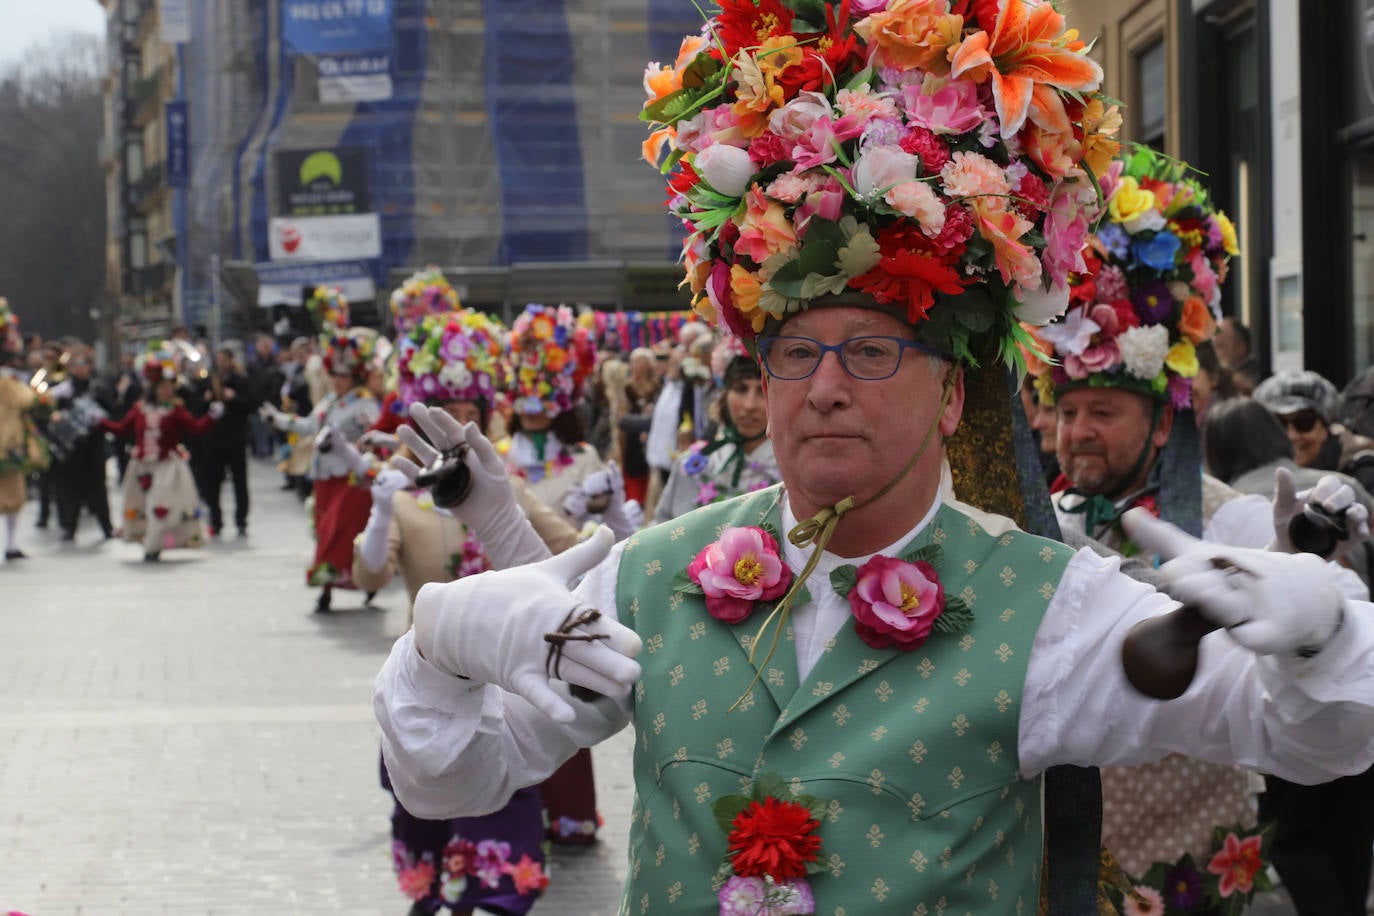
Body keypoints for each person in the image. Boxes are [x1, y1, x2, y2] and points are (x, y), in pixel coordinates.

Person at [377, 8, 1374, 911]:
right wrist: (435, 650)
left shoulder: (1050, 605)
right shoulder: (647, 576)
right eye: (796, 353)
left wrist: (1323, 637)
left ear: (950, 395)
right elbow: (455, 780)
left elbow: (1305, 736)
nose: (823, 388)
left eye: (871, 351)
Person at [1030, 150, 1302, 906]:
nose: (1077, 432)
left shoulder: (1225, 515)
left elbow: (1280, 593)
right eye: (1069, 412)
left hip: (1196, 853)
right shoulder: (1040, 520)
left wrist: (1300, 557)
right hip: (1079, 860)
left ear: (1160, 427)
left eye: (1104, 414)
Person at [352, 289, 576, 916]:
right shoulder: (402, 498)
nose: (454, 418)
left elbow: (574, 563)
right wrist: (376, 511)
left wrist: (608, 516)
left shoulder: (509, 492)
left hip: (508, 695)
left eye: (467, 407)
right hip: (429, 696)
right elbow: (367, 578)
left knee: (504, 852)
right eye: (442, 406)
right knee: (424, 823)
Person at [1202, 396, 1374, 916]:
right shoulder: (1331, 487)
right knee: (1350, 827)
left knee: (1295, 836)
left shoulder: (1225, 508)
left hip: (1290, 693)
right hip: (1357, 679)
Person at [261, 289, 381, 612]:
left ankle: (351, 583)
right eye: (335, 376)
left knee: (342, 533)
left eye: (343, 377)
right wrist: (279, 419)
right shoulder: (330, 401)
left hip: (350, 478)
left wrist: (355, 447)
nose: (338, 382)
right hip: (325, 479)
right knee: (324, 530)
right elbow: (309, 425)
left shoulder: (365, 404)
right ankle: (333, 583)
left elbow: (375, 436)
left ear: (354, 376)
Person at [99, 347, 221, 561]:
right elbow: (121, 428)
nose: (167, 391)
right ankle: (149, 541)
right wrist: (99, 422)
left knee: (159, 504)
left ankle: (153, 546)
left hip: (167, 466)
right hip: (141, 466)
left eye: (170, 387)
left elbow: (196, 428)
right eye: (163, 387)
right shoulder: (139, 409)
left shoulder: (176, 410)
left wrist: (212, 416)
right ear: (154, 388)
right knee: (143, 505)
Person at [654, 339, 779, 522]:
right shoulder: (692, 466)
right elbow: (659, 533)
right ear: (724, 395)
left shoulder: (794, 475)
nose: (750, 405)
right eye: (740, 389)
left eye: (762, 391)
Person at [1254, 370, 1374, 497]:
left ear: (1326, 427)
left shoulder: (1364, 475)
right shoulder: (1250, 473)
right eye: (1278, 425)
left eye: (1304, 422)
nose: (1291, 436)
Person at [46, 346, 116, 543]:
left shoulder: (98, 388)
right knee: (71, 489)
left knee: (99, 488)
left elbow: (112, 412)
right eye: (73, 364)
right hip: (71, 447)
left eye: (81, 363)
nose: (77, 368)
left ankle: (107, 526)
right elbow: (49, 413)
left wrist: (99, 418)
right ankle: (69, 526)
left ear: (89, 365)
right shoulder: (62, 390)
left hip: (94, 445)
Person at [197, 347, 255, 537]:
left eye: (224, 359)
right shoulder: (209, 381)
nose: (221, 363)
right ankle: (216, 520)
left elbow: (250, 405)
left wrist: (234, 398)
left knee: (239, 481)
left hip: (235, 438)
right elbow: (198, 407)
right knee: (212, 482)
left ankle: (241, 520)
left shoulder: (241, 380)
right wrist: (206, 400)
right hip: (213, 439)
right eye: (219, 359)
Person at [0, 298, 41, 560]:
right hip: (9, 442)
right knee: (13, 495)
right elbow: (29, 401)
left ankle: (11, 544)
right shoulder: (9, 382)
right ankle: (11, 544)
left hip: (8, 441)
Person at [1214, 316, 1261, 394]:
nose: (1214, 354)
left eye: (1220, 346)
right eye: (1213, 347)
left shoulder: (1254, 380)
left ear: (1240, 347)